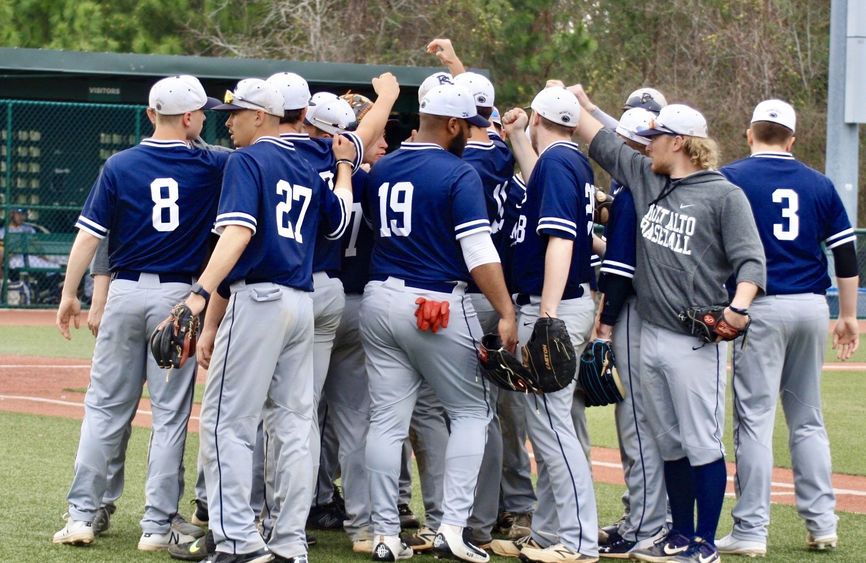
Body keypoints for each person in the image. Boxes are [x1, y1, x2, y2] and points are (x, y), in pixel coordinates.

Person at [573, 94, 766, 563]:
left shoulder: (724, 194)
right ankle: (679, 534)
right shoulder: (644, 176)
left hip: (696, 338)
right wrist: (576, 100)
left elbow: (751, 261)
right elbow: (599, 138)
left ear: (679, 142)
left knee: (701, 440)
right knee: (670, 441)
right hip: (651, 333)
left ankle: (704, 544)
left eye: (657, 136)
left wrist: (738, 308)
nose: (648, 143)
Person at [52, 75, 227, 551]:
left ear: (151, 114)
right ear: (189, 117)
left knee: (104, 410)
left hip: (125, 295)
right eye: (202, 113)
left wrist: (72, 293)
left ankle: (83, 516)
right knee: (169, 416)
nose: (207, 119)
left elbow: (90, 236)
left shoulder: (120, 164)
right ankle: (156, 526)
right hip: (180, 298)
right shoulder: (212, 165)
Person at [185, 77, 354, 563]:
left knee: (225, 425)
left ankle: (238, 542)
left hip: (258, 299)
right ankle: (289, 544)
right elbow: (338, 223)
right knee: (294, 426)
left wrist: (199, 295)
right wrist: (343, 171)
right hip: (302, 302)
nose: (229, 121)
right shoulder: (306, 163)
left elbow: (238, 231)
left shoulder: (248, 159)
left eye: (235, 113)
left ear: (261, 116)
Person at [361, 82, 516, 563]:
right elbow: (477, 250)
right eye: (468, 126)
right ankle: (452, 527)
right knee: (473, 412)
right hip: (434, 303)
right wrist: (506, 310)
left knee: (387, 421)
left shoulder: (383, 166)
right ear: (453, 125)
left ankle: (386, 533)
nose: (472, 133)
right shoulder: (458, 171)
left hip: (378, 295)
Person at [715, 99, 859, 556]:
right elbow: (848, 254)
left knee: (755, 421)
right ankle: (822, 523)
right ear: (792, 138)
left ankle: (751, 531)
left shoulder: (731, 178)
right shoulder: (819, 183)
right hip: (812, 307)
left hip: (760, 305)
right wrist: (849, 316)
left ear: (749, 131)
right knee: (808, 420)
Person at [488, 86, 600, 563]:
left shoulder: (557, 164)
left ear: (537, 117)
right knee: (556, 424)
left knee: (553, 428)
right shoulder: (568, 161)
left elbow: (559, 240)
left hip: (553, 304)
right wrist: (517, 138)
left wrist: (547, 315)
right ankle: (556, 532)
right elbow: (540, 187)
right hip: (564, 301)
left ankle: (579, 541)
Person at [427, 37, 518, 550]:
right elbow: (484, 113)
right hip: (498, 287)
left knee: (466, 413)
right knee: (493, 412)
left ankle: (475, 520)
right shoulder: (501, 151)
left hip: (471, 289)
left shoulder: (465, 163)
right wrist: (457, 67)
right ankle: (506, 510)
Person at [592, 107, 669, 558]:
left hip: (636, 313)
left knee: (636, 422)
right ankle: (662, 519)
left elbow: (619, 270)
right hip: (677, 314)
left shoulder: (630, 189)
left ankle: (642, 524)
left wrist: (604, 324)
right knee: (664, 424)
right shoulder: (679, 185)